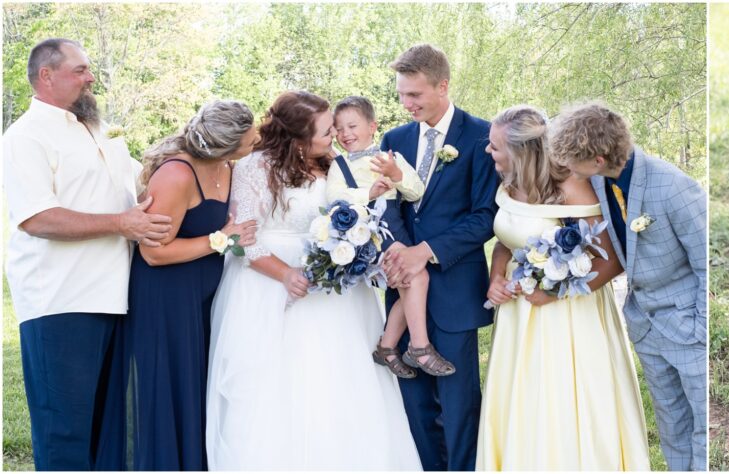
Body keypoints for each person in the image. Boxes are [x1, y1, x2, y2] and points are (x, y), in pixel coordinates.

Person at [205, 91, 421, 470]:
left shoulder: (332, 162)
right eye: (325, 132)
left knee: (341, 385)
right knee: (279, 388)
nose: (333, 138)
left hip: (332, 284)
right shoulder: (255, 168)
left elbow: (353, 207)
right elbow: (239, 241)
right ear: (297, 138)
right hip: (268, 284)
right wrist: (285, 273)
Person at [2, 38, 171, 471]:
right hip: (61, 302)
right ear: (46, 76)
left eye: (89, 69)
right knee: (66, 434)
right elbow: (38, 218)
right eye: (79, 70)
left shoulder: (96, 130)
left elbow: (142, 186)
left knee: (108, 432)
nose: (90, 78)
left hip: (116, 299)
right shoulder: (24, 137)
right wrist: (121, 225)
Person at [477, 105, 650, 470]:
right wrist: (495, 278)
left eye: (495, 147)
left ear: (521, 151)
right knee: (524, 399)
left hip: (570, 315)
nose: (488, 152)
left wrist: (556, 293)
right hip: (518, 315)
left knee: (562, 397)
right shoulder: (509, 181)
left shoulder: (572, 186)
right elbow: (508, 242)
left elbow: (612, 258)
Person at [552, 102, 708, 470]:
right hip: (646, 326)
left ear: (599, 159)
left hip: (688, 325)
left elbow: (706, 263)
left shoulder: (672, 187)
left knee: (703, 424)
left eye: (575, 164)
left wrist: (702, 327)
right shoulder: (599, 182)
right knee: (672, 424)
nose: (570, 172)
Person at [377, 44, 500, 471]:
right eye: (401, 95)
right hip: (403, 288)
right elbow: (387, 205)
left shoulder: (482, 136)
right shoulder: (394, 140)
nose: (406, 104)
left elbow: (486, 216)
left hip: (454, 288)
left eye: (415, 95)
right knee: (414, 403)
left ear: (443, 86)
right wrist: (399, 252)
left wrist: (424, 252)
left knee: (459, 403)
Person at [121, 100, 259, 470]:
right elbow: (153, 253)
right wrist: (222, 240)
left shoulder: (228, 166)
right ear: (223, 146)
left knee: (201, 388)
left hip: (207, 294)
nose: (256, 142)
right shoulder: (176, 175)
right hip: (166, 296)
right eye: (249, 141)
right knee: (171, 391)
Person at [326, 96, 454, 379]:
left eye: (352, 126)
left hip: (395, 225)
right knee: (417, 278)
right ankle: (418, 347)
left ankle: (387, 347)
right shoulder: (339, 165)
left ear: (372, 126)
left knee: (410, 283)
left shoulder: (390, 158)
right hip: (368, 232)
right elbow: (332, 199)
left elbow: (416, 191)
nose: (345, 134)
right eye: (339, 128)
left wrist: (396, 175)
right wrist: (366, 194)